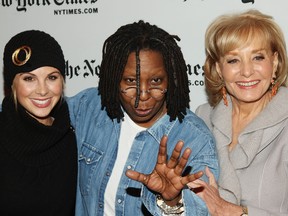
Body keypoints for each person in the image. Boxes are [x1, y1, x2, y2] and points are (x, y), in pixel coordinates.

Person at [68, 20, 219, 215]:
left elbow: (203, 211)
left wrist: (171, 201)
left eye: (156, 81)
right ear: (114, 78)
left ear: (171, 79)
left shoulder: (195, 139)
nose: (143, 95)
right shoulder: (89, 107)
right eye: (130, 81)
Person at [188, 9, 288, 216]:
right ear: (218, 68)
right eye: (233, 60)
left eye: (258, 57)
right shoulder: (202, 117)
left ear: (275, 62)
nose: (246, 71)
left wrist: (234, 212)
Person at [0, 30, 78, 215]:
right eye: (29, 78)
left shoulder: (74, 137)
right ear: (12, 85)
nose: (43, 90)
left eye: (52, 77)